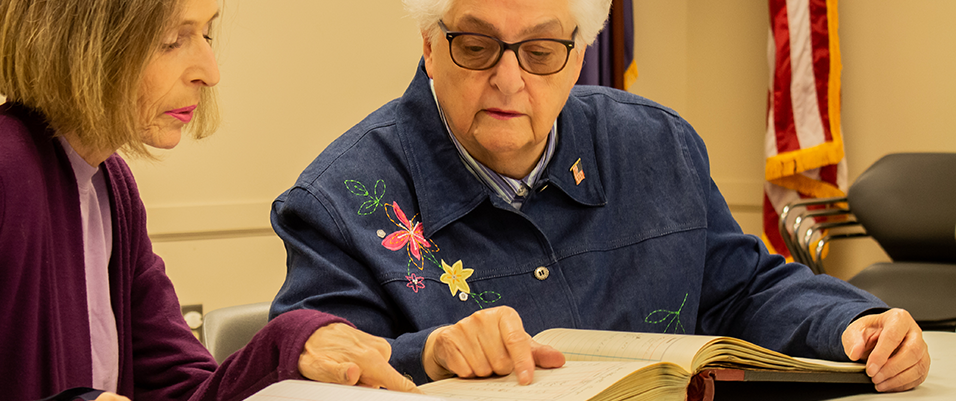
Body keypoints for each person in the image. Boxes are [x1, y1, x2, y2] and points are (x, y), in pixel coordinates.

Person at [0, 0, 419, 400]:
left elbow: (184, 389)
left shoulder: (106, 184)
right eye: (172, 38)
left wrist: (294, 341)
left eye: (207, 31)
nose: (209, 69)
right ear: (83, 41)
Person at [269, 0, 929, 393]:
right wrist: (433, 351)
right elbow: (305, 373)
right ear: (428, 44)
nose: (508, 79)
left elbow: (741, 287)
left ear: (580, 51)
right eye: (474, 46)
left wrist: (850, 323)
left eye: (541, 50)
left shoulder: (655, 147)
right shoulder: (338, 200)